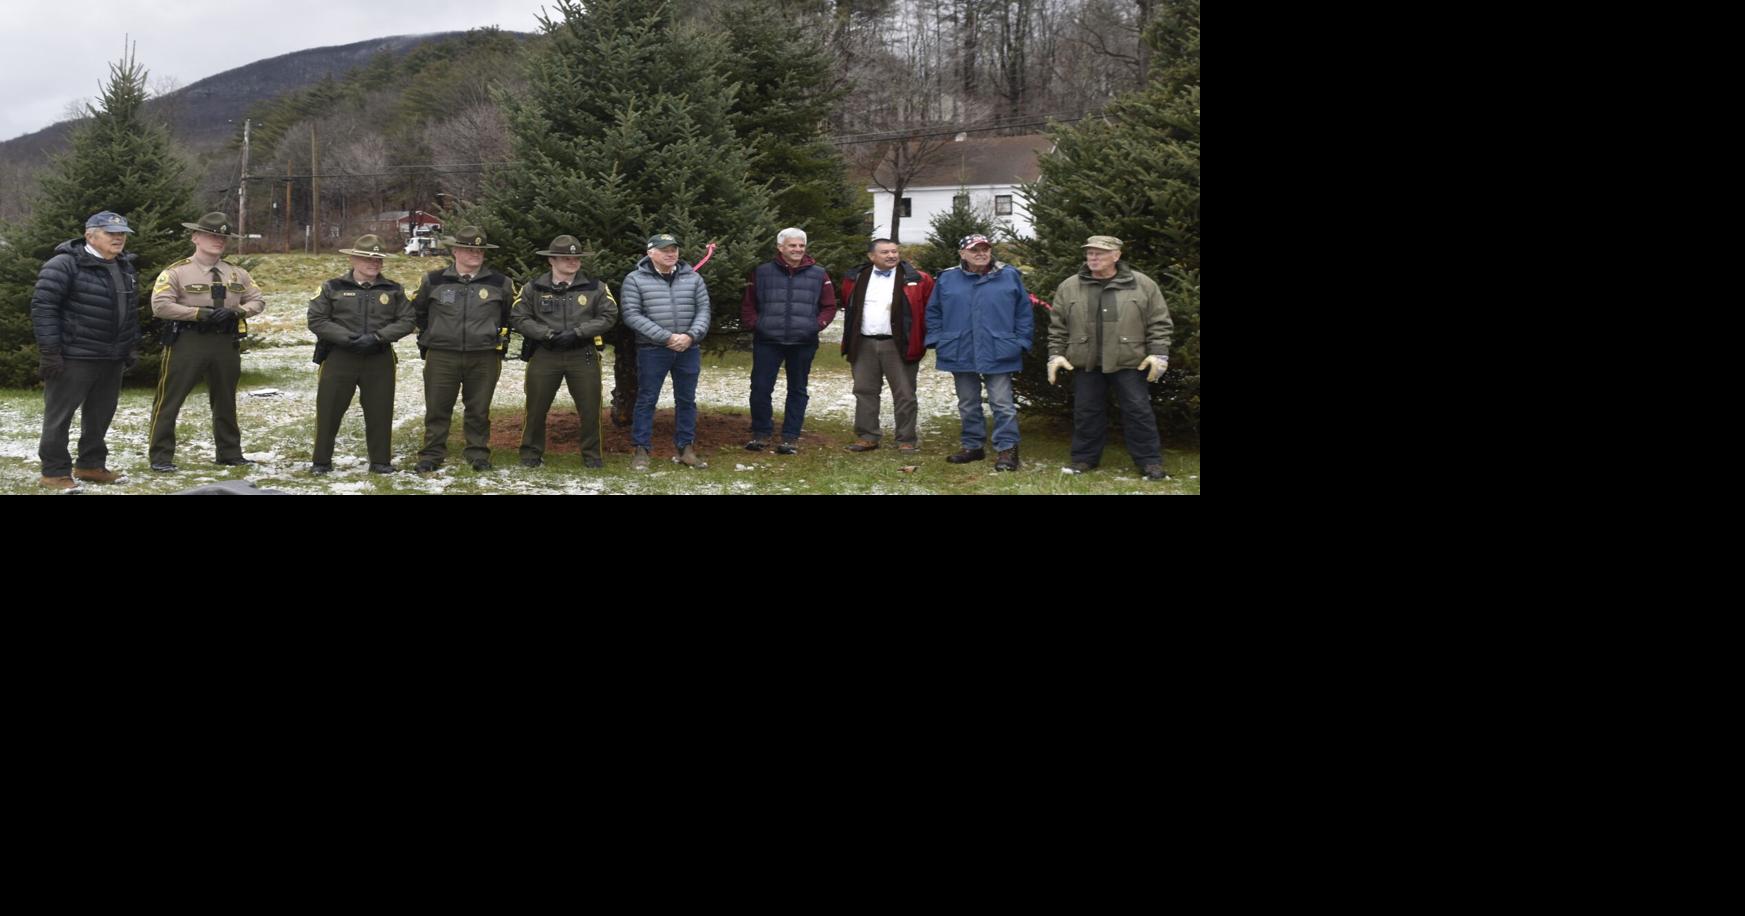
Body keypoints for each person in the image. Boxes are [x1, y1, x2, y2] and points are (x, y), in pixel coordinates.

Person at [147, 212, 266, 473]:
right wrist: (198, 313)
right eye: (212, 235)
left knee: (225, 400)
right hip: (188, 341)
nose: (218, 240)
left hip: (225, 341)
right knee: (170, 399)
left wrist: (238, 312)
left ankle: (229, 453)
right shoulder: (177, 272)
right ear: (195, 237)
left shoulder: (237, 273)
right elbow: (160, 306)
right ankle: (161, 456)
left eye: (223, 237)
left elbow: (257, 300)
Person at [31, 211, 141, 490]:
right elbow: (44, 308)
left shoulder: (124, 266)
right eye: (110, 233)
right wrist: (50, 352)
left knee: (100, 415)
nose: (118, 238)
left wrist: (129, 346)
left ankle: (90, 465)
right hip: (73, 355)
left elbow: (130, 311)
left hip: (111, 356)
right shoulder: (63, 264)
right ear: (90, 235)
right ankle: (54, 472)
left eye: (122, 234)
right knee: (59, 417)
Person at [1047, 236, 1173, 480]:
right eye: (1090, 253)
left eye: (1100, 253)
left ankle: (1150, 462)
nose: (1093, 257)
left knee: (1138, 411)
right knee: (1086, 411)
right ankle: (1083, 459)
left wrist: (1159, 353)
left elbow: (1159, 322)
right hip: (1086, 361)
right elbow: (1058, 327)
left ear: (1116, 255)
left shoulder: (1142, 284)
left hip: (1130, 361)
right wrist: (1055, 355)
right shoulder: (1069, 286)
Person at [306, 234, 416, 475]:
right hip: (340, 356)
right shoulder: (332, 287)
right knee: (329, 409)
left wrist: (378, 337)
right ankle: (321, 461)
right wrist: (348, 338)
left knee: (380, 410)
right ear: (353, 259)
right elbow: (317, 319)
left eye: (378, 259)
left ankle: (380, 461)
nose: (374, 263)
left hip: (379, 357)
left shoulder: (393, 289)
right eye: (368, 258)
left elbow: (407, 320)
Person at [408, 226, 513, 473]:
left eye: (479, 250)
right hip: (442, 354)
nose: (475, 254)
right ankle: (431, 454)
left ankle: (478, 453)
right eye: (468, 249)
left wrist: (492, 335)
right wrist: (432, 335)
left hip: (484, 354)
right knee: (437, 407)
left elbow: (509, 315)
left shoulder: (501, 283)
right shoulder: (433, 280)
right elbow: (418, 311)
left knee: (479, 408)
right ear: (455, 251)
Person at [924, 234, 1032, 471]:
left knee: (1002, 403)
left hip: (999, 348)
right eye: (975, 250)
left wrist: (1021, 341)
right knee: (968, 402)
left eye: (985, 249)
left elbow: (1023, 311)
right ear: (962, 254)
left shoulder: (1009, 275)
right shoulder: (947, 278)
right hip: (960, 348)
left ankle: (1007, 449)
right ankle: (972, 446)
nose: (981, 254)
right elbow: (933, 312)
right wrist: (938, 339)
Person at [511, 234, 619, 469]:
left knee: (590, 408)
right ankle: (531, 453)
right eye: (566, 258)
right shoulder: (533, 288)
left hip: (583, 353)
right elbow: (519, 317)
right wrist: (546, 334)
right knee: (536, 406)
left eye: (576, 258)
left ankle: (592, 455)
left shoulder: (596, 288)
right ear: (552, 260)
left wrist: (579, 332)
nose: (572, 262)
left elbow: (609, 315)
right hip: (545, 353)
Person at [741, 227, 837, 454]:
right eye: (792, 245)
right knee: (760, 388)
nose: (797, 249)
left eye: (801, 245)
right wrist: (757, 324)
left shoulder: (819, 274)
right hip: (768, 341)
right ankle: (761, 432)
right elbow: (748, 304)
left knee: (798, 389)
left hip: (803, 342)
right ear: (780, 247)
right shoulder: (762, 272)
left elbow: (829, 306)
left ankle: (790, 437)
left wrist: (815, 326)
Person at [620, 233, 712, 471]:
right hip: (652, 350)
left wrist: (690, 336)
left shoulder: (693, 278)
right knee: (647, 399)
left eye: (674, 249)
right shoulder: (634, 279)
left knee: (686, 400)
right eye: (664, 250)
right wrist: (667, 337)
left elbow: (703, 311)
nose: (671, 254)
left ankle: (686, 449)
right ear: (650, 253)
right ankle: (641, 450)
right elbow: (632, 314)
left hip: (688, 349)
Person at [839, 238, 934, 454]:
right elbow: (849, 305)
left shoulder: (917, 279)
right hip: (863, 343)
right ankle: (867, 436)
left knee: (905, 393)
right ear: (871, 256)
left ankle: (906, 439)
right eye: (885, 252)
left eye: (894, 251)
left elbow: (929, 309)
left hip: (899, 344)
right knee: (864, 391)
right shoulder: (856, 278)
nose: (891, 256)